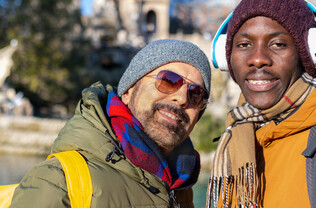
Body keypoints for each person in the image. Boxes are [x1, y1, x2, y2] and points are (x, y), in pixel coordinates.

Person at [10, 39, 211, 207]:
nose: (182, 98)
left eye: (196, 94)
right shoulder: (57, 184)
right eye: (168, 80)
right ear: (128, 91)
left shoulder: (182, 188)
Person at [207, 0, 316, 208]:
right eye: (243, 45)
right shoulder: (234, 143)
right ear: (226, 58)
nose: (258, 59)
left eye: (278, 44)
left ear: (308, 53)